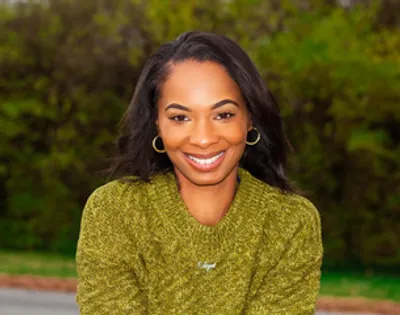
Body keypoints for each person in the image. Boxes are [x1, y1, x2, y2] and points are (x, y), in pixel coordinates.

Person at [75, 31, 323, 315]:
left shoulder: (291, 223)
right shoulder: (114, 212)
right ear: (157, 123)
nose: (203, 139)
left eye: (223, 115)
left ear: (250, 118)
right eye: (180, 117)